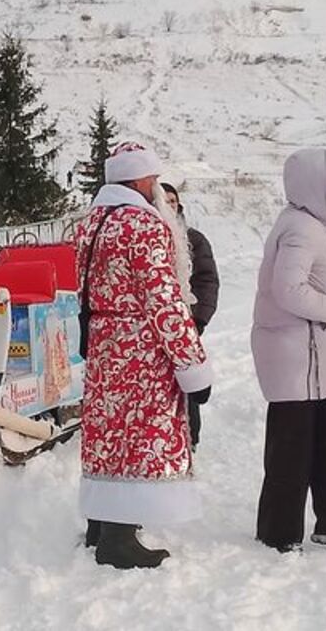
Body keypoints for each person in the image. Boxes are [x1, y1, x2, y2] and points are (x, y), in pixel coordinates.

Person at [74, 142, 213, 569]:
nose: (156, 187)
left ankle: (101, 524)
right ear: (138, 180)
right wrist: (193, 365)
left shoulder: (91, 222)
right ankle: (118, 539)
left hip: (104, 344)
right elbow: (165, 300)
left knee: (108, 434)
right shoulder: (143, 225)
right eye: (152, 179)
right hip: (140, 350)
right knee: (138, 438)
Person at [251, 149, 326, 552]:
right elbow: (288, 290)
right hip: (298, 361)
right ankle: (279, 534)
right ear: (315, 184)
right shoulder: (300, 229)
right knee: (292, 448)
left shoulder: (310, 225)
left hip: (315, 362)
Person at [161, 182, 219, 448]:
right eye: (164, 200)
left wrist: (198, 319)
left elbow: (207, 281)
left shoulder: (194, 239)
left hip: (187, 322)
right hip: (156, 327)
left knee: (190, 378)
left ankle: (190, 437)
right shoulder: (148, 237)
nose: (169, 205)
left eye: (173, 201)